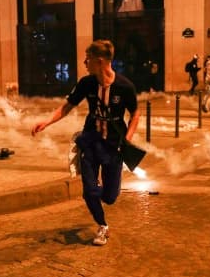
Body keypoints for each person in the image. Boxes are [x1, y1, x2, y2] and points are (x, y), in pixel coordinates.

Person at [31, 40, 140, 246]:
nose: (84, 62)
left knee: (109, 197)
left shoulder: (125, 86)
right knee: (89, 191)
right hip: (90, 142)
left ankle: (97, 192)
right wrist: (46, 122)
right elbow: (66, 107)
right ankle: (102, 226)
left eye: (87, 58)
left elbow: (136, 113)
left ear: (99, 61)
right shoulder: (86, 83)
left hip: (113, 147)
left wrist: (128, 138)